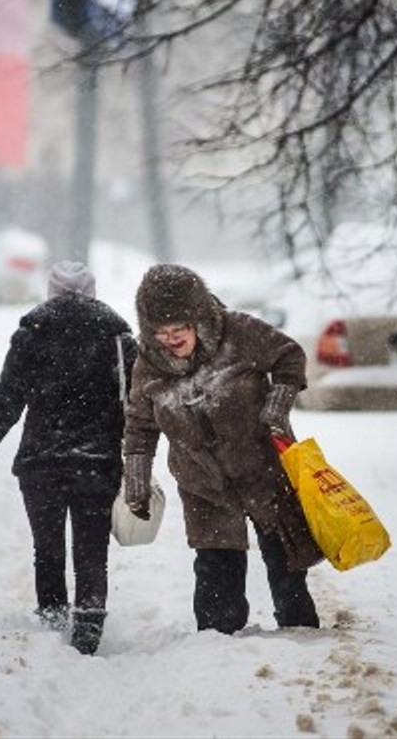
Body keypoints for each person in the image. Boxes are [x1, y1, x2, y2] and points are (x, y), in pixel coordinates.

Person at [0, 261, 137, 655]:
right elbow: (136, 405)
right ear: (93, 292)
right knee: (91, 549)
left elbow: (6, 402)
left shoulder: (32, 334)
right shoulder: (118, 337)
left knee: (47, 549)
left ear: (51, 292)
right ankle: (88, 628)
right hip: (96, 462)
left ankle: (52, 622)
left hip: (41, 461)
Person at [121, 264, 323, 635]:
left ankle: (301, 637)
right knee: (216, 573)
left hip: (262, 469)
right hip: (203, 485)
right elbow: (139, 426)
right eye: (160, 332)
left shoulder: (239, 332)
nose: (171, 339)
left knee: (286, 562)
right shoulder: (148, 364)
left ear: (198, 318)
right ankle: (219, 649)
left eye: (179, 329)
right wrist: (136, 478)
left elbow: (289, 357)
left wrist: (276, 406)